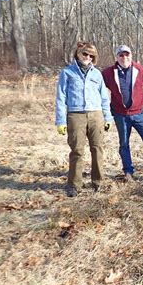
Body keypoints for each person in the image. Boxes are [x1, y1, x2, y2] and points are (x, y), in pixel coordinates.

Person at [55, 42, 113, 197]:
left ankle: (98, 181)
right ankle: (74, 184)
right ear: (78, 54)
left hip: (96, 115)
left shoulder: (97, 74)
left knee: (97, 149)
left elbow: (104, 97)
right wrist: (60, 121)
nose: (88, 57)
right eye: (85, 54)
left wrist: (107, 117)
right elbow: (60, 98)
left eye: (91, 55)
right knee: (77, 151)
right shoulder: (67, 73)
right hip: (76, 115)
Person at [102, 45, 143, 181]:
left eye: (127, 54)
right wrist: (107, 108)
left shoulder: (139, 70)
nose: (124, 57)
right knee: (124, 144)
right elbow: (97, 88)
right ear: (116, 57)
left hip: (139, 114)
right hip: (120, 115)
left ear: (131, 55)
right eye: (121, 55)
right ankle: (128, 172)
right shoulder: (108, 73)